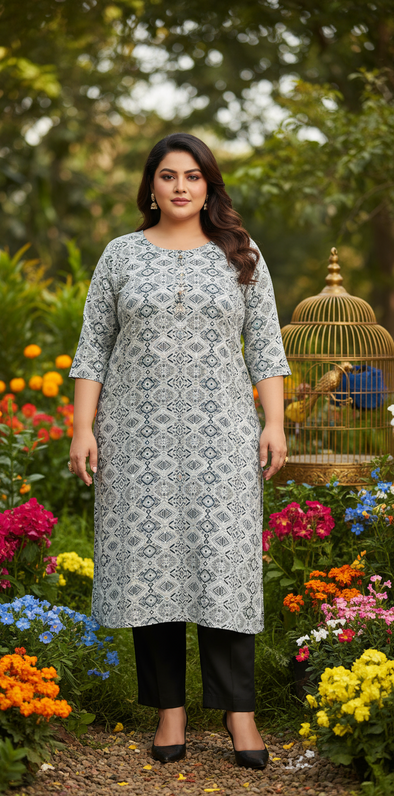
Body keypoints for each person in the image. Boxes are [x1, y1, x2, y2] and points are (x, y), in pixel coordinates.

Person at [69, 133, 290, 769]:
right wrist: (83, 428)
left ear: (209, 185)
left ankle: (239, 714)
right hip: (137, 438)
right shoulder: (120, 255)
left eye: (193, 176)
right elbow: (93, 347)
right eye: (168, 176)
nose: (181, 187)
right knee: (153, 568)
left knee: (225, 565)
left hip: (222, 435)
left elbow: (266, 346)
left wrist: (273, 423)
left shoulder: (241, 255)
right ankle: (170, 712)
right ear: (151, 186)